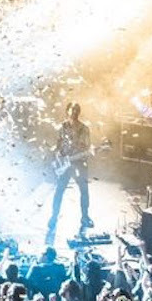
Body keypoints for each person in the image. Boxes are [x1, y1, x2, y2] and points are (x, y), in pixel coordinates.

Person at [48, 102, 93, 240]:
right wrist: (59, 158)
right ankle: (54, 216)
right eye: (71, 110)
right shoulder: (63, 127)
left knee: (84, 191)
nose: (73, 112)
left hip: (79, 163)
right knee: (59, 191)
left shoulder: (84, 129)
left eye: (76, 110)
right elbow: (58, 145)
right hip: (65, 165)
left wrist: (78, 155)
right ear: (67, 111)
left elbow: (87, 149)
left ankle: (85, 217)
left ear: (79, 112)